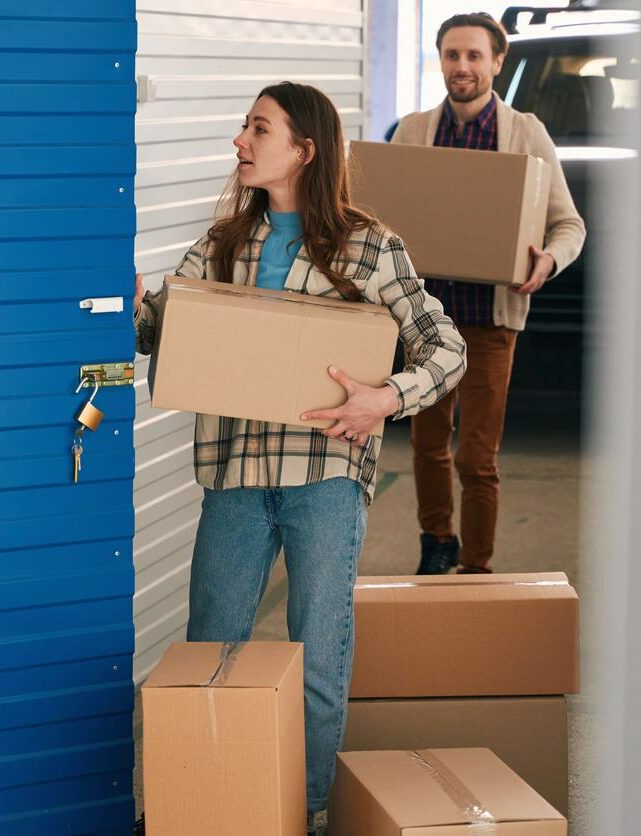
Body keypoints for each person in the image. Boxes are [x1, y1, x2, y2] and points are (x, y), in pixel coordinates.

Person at [132, 81, 465, 834]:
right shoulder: (222, 244)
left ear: (304, 150)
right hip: (236, 479)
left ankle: (306, 810)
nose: (239, 142)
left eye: (258, 128)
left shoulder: (372, 246)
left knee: (317, 659)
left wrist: (386, 398)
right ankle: (208, 803)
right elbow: (164, 329)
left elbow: (447, 349)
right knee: (212, 650)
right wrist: (135, 306)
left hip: (323, 479)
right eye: (245, 127)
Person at [391, 12, 586, 575]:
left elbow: (568, 224)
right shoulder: (413, 132)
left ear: (497, 62)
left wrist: (549, 260)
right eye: (453, 55)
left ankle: (477, 568)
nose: (463, 67)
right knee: (427, 448)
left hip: (490, 321)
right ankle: (437, 542)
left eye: (475, 56)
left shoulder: (526, 135)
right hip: (426, 322)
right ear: (441, 60)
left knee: (476, 457)